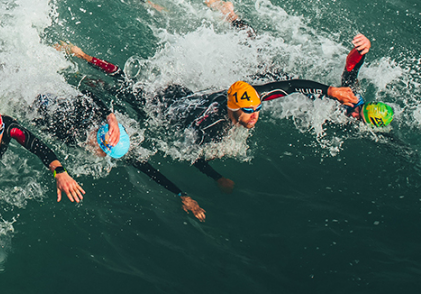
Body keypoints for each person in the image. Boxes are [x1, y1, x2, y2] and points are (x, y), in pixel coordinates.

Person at [57, 42, 358, 193]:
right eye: (248, 112)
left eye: (256, 109)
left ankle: (90, 68)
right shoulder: (211, 126)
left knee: (129, 83)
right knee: (125, 86)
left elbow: (290, 86)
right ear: (232, 108)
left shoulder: (250, 96)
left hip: (185, 93)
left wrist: (331, 91)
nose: (254, 116)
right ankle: (82, 62)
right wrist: (218, 178)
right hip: (163, 107)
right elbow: (194, 156)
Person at [206, 0, 395, 128]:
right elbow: (351, 69)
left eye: (359, 119)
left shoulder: (355, 121)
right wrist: (361, 51)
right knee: (253, 50)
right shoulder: (350, 96)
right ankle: (229, 13)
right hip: (282, 82)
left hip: (286, 93)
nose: (354, 115)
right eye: (358, 111)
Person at [32, 85, 206, 221]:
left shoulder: (108, 134)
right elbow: (85, 94)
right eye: (104, 152)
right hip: (40, 103)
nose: (104, 156)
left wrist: (182, 194)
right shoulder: (69, 130)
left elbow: (151, 171)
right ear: (96, 141)